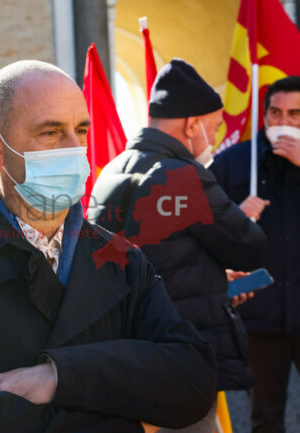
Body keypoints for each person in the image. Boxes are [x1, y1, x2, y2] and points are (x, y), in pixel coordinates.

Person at [0, 60, 218, 433]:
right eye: (51, 133)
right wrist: (129, 414)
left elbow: (192, 382)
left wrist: (59, 377)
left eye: (81, 130)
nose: (75, 149)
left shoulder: (124, 259)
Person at [89, 59, 267, 432]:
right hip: (180, 354)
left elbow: (148, 256)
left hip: (126, 351)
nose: (214, 140)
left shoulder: (112, 169)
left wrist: (214, 279)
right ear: (192, 125)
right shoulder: (183, 176)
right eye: (214, 129)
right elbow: (250, 249)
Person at [211, 76, 300, 433]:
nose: (284, 123)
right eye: (275, 113)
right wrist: (236, 212)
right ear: (263, 116)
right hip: (258, 316)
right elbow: (203, 229)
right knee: (265, 418)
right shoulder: (233, 163)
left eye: (296, 114)